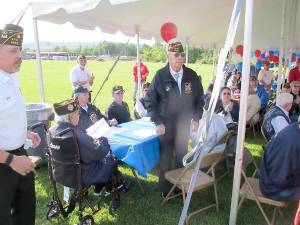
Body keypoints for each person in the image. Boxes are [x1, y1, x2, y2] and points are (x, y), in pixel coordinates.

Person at [144, 39, 204, 196]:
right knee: (165, 156)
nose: (180, 58)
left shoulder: (191, 75)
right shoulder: (160, 76)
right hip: (166, 124)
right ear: (169, 56)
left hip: (184, 124)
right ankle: (165, 188)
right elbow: (150, 101)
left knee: (181, 154)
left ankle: (179, 187)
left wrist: (196, 118)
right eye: (176, 55)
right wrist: (157, 121)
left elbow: (199, 98)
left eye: (182, 55)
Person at [0, 24, 41, 225]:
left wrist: (24, 133)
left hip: (19, 155)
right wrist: (10, 160)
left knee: (26, 213)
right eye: (13, 50)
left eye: (20, 49)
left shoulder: (12, 77)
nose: (19, 55)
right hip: (3, 162)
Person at [50, 99, 120, 195]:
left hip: (60, 174)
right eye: (77, 113)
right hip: (82, 175)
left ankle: (98, 188)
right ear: (71, 117)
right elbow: (99, 152)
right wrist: (103, 138)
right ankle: (110, 186)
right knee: (111, 159)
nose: (79, 115)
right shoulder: (75, 134)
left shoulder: (51, 131)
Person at [260, 121, 300, 201]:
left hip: (279, 177)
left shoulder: (296, 126)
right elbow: (279, 180)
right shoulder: (292, 143)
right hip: (274, 188)